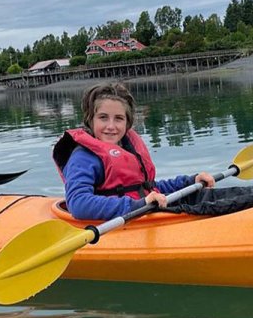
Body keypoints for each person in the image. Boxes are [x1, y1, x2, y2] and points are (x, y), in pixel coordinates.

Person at [52, 82, 215, 221]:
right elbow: (79, 204)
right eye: (103, 117)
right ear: (90, 120)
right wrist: (137, 205)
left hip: (143, 214)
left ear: (127, 122)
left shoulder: (127, 147)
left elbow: (147, 188)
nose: (111, 126)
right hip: (115, 225)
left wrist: (190, 181)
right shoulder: (83, 157)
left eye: (118, 118)